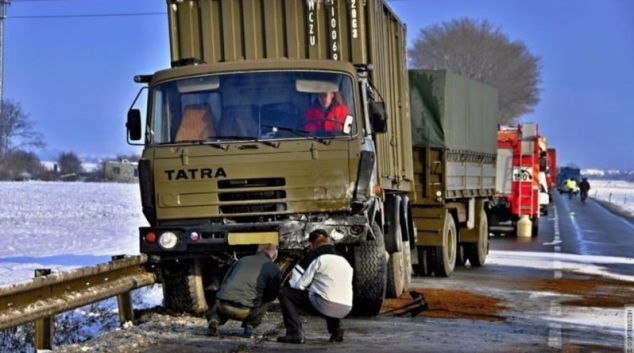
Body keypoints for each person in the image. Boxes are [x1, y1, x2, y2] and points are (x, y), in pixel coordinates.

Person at [277, 229, 354, 344]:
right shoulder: (344, 259)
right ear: (328, 241)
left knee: (284, 292)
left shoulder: (314, 256)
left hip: (325, 305)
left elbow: (297, 285)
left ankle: (294, 333)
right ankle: (336, 329)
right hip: (346, 308)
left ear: (311, 244)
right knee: (327, 290)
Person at [207, 244, 281, 337]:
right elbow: (272, 295)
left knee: (222, 301)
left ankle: (215, 319)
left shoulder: (241, 260)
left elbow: (224, 283)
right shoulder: (273, 268)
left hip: (224, 307)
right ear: (274, 255)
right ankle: (249, 326)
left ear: (257, 251)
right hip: (246, 311)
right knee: (265, 301)